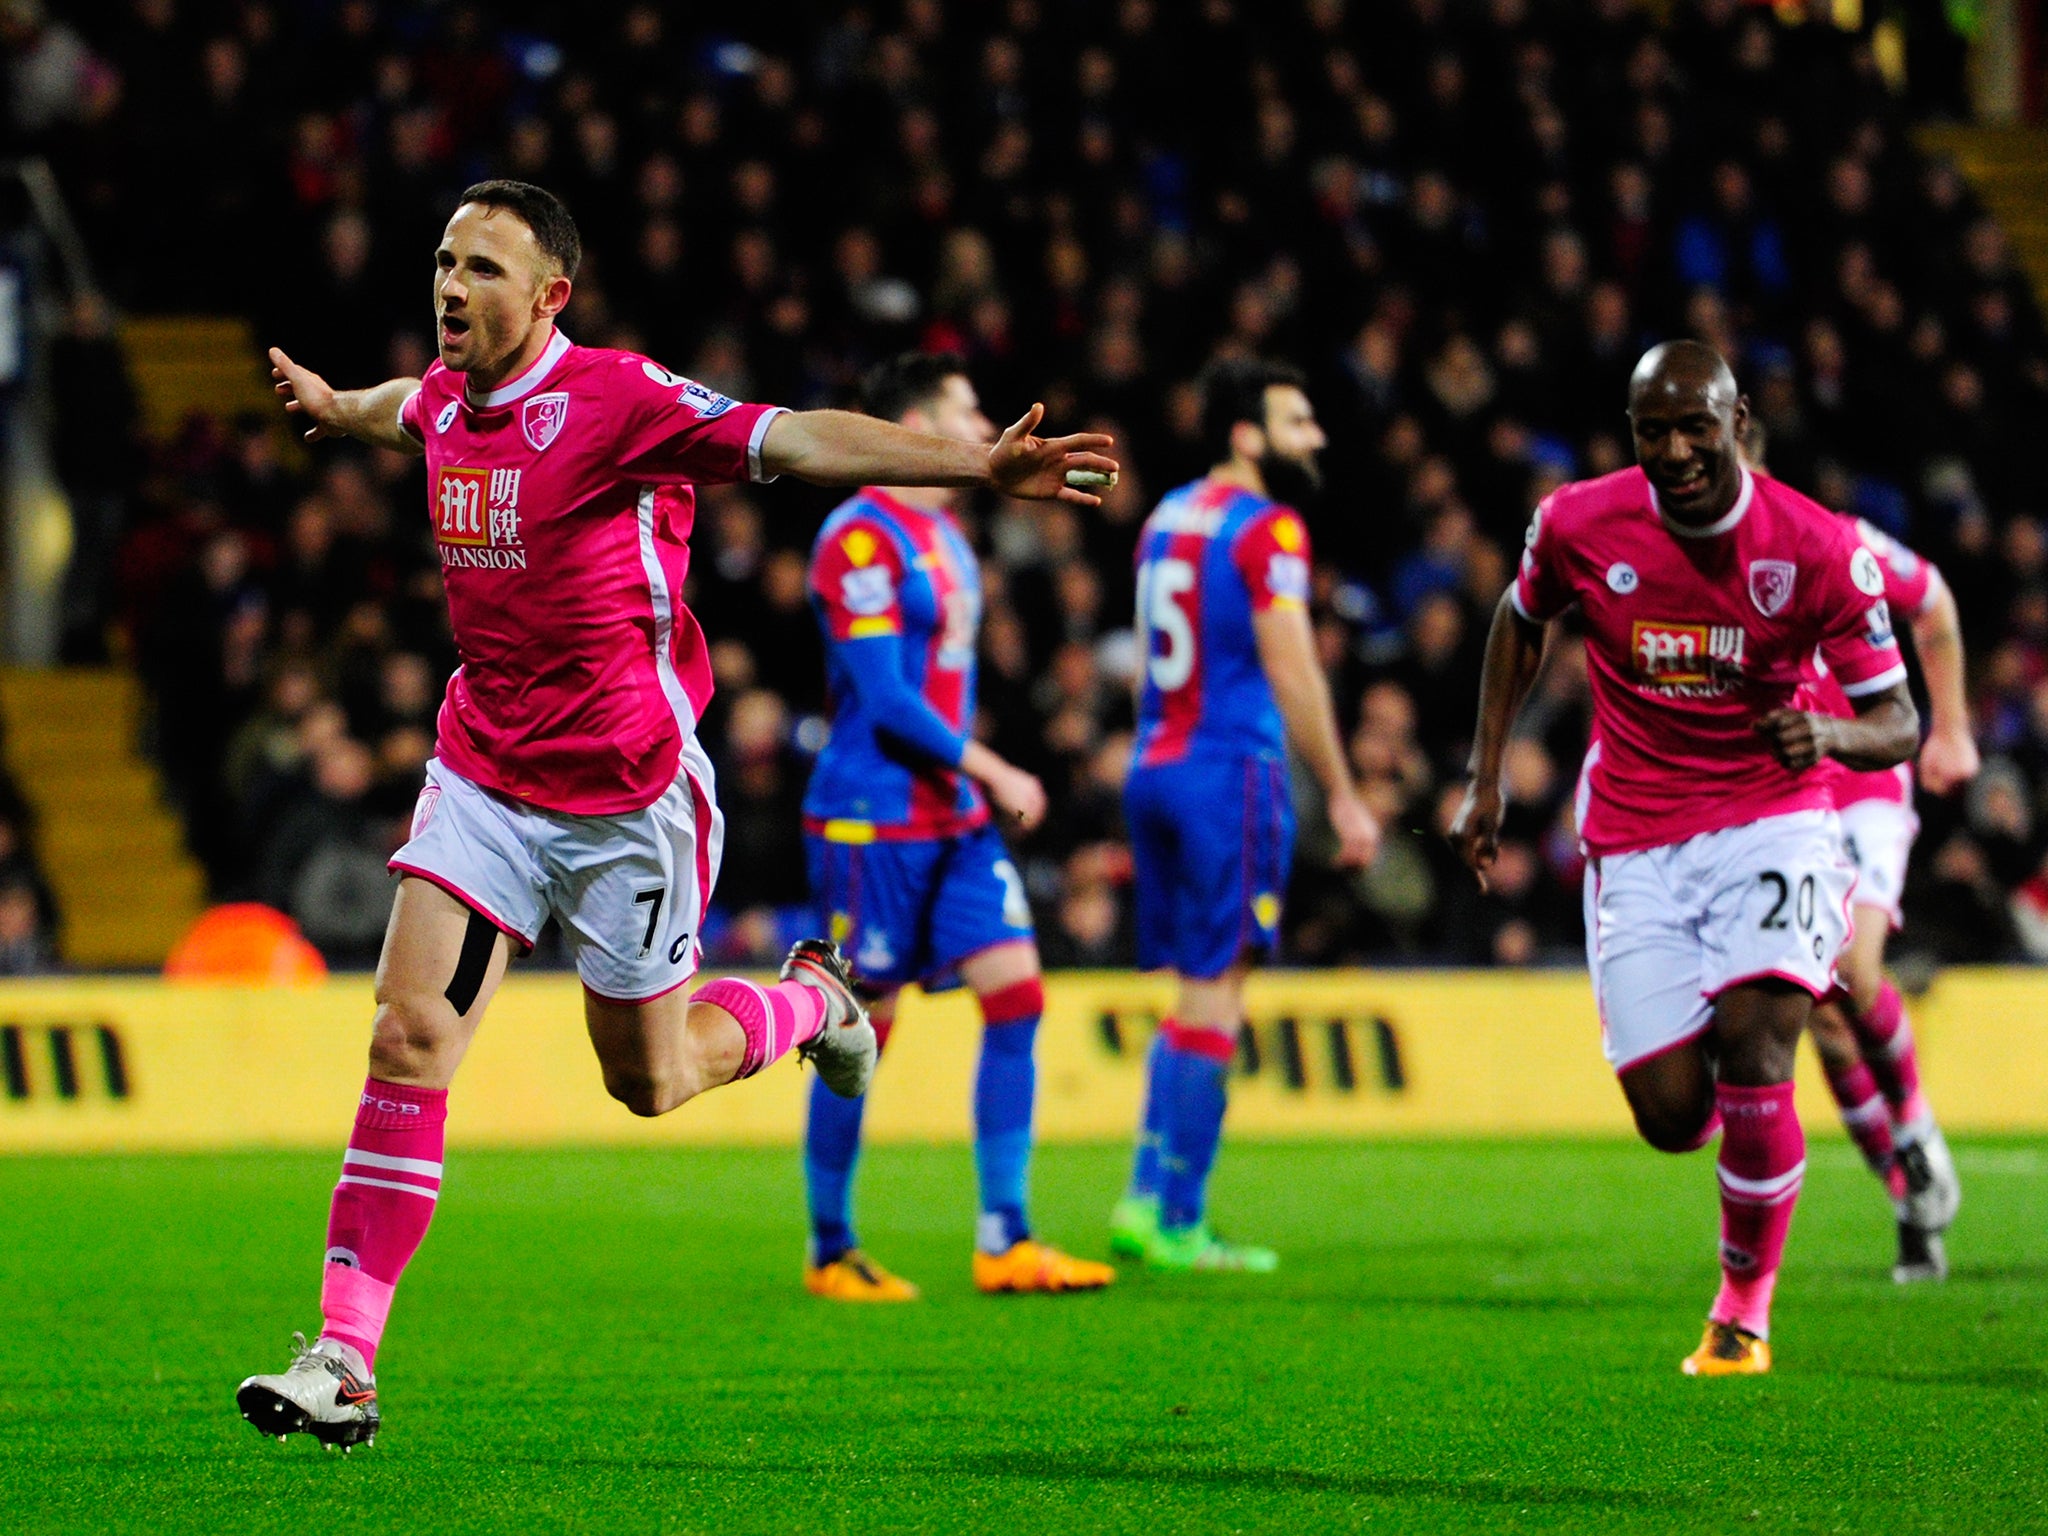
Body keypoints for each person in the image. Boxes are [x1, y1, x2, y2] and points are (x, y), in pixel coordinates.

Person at [236, 180, 1116, 1449]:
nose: (450, 287)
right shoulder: (443, 398)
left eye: (483, 270)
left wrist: (975, 465)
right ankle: (344, 1357)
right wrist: (333, 406)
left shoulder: (618, 401)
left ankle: (812, 1004)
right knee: (407, 1038)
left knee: (648, 1081)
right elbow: (400, 413)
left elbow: (797, 438)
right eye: (442, 262)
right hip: (484, 774)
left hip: (626, 796)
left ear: (551, 297)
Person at [1451, 341, 1919, 1376]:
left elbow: (1897, 719)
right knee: (1670, 1120)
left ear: (1735, 420)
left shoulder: (1816, 546)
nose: (1674, 452)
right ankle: (1730, 1075)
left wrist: (1830, 735)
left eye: (1694, 427)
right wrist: (1485, 776)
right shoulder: (1578, 522)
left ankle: (1741, 1311)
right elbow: (1518, 619)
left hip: (1773, 818)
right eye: (1652, 432)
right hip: (1634, 832)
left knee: (1760, 1054)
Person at [797, 352, 1114, 1300]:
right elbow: (887, 700)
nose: (982, 424)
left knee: (1018, 995)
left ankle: (1005, 1237)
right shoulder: (857, 538)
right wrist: (992, 764)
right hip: (873, 819)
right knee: (862, 1034)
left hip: (954, 818)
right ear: (918, 421)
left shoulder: (946, 536)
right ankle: (830, 1248)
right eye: (965, 408)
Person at [1111, 358, 1380, 1273]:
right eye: (1296, 421)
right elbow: (1293, 666)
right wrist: (1341, 790)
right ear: (1245, 434)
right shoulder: (1269, 529)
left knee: (1194, 989)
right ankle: (1180, 1219)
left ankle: (1143, 1200)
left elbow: (1149, 656)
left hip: (1156, 763)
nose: (1315, 437)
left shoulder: (1166, 517)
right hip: (1230, 772)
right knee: (1219, 995)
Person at [1801, 517, 1974, 1280]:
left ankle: (1914, 1124)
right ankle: (1910, 1197)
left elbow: (1931, 598)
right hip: (1783, 800)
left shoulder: (1838, 541)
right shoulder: (1694, 564)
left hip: (1865, 782)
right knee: (1819, 1014)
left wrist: (1952, 728)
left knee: (1852, 969)